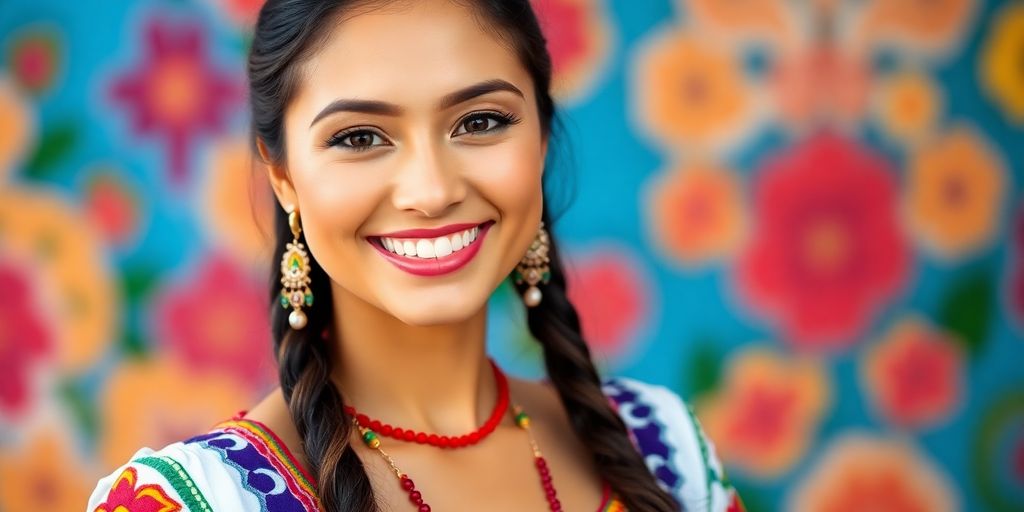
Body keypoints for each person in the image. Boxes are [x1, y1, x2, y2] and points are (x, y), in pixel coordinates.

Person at [88, 0, 743, 510]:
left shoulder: (667, 455)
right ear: (282, 176)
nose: (431, 192)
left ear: (541, 142)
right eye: (361, 136)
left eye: (480, 121)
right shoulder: (189, 502)